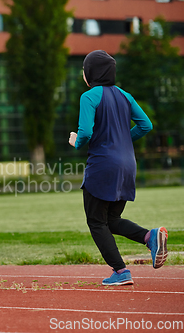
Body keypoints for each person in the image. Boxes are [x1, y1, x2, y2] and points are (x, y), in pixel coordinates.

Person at [69, 50, 168, 286]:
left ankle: (121, 271)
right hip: (127, 165)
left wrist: (76, 143)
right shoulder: (125, 96)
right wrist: (122, 140)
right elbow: (146, 125)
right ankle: (149, 236)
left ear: (90, 73)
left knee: (95, 221)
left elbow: (85, 132)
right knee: (111, 219)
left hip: (103, 165)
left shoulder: (89, 97)